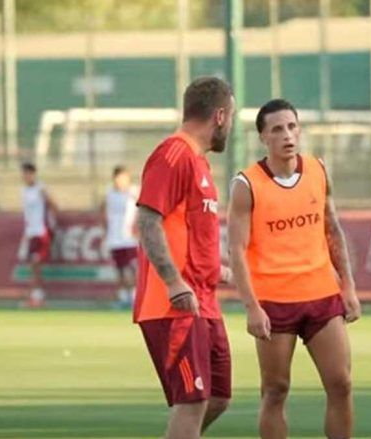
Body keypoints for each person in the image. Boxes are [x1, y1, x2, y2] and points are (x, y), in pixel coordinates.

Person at [228, 98, 361, 439]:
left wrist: (348, 287)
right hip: (274, 303)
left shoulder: (317, 169)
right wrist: (251, 307)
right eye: (277, 129)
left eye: (291, 126)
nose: (287, 135)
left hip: (321, 295)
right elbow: (237, 251)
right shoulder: (247, 184)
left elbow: (332, 229)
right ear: (263, 138)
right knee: (275, 390)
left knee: (341, 383)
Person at [134, 76, 235, 439]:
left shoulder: (199, 164)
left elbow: (191, 241)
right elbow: (147, 219)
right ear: (220, 116)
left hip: (204, 302)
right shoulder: (173, 153)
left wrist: (225, 272)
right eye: (233, 117)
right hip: (173, 304)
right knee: (193, 401)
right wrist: (174, 282)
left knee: (219, 398)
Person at [101, 165, 139, 309]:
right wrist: (105, 230)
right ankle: (123, 297)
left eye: (123, 178)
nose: (120, 181)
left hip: (129, 238)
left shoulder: (134, 192)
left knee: (133, 269)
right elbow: (103, 210)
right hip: (114, 237)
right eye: (117, 178)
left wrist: (138, 227)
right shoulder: (109, 193)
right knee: (120, 269)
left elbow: (143, 209)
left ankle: (135, 297)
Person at [20, 162, 57, 308]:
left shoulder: (40, 189)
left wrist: (52, 225)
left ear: (33, 174)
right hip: (31, 233)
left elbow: (53, 206)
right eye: (23, 174)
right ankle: (36, 296)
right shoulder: (23, 191)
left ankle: (37, 296)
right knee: (33, 266)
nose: (25, 177)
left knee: (36, 264)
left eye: (28, 173)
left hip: (42, 232)